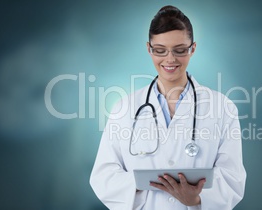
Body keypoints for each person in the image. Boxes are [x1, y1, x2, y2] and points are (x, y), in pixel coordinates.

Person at [90, 5, 246, 210]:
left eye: (180, 50)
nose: (170, 59)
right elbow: (103, 176)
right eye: (160, 50)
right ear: (149, 49)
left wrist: (197, 199)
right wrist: (139, 184)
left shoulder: (222, 108)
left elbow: (233, 177)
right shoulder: (125, 108)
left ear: (193, 48)